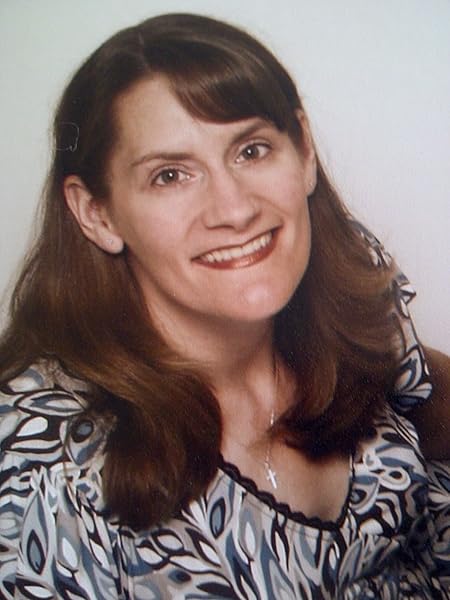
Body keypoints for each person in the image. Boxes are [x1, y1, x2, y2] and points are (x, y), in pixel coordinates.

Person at [0, 13, 448, 599]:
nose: (235, 209)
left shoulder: (354, 305)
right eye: (170, 175)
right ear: (97, 214)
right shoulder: (43, 468)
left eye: (252, 150)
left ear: (304, 151)